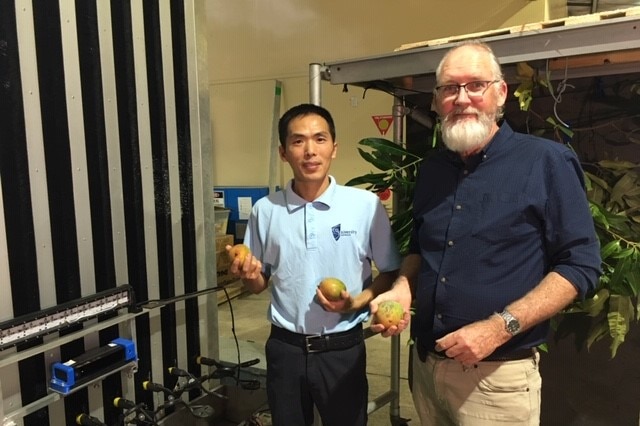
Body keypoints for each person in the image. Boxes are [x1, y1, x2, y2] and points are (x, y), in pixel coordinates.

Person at [380, 40, 602, 425]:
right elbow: (421, 245)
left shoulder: (545, 162)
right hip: (426, 371)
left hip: (496, 381)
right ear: (436, 101)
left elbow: (581, 264)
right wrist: (402, 288)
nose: (461, 98)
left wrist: (500, 328)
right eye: (450, 88)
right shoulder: (433, 170)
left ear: (501, 93)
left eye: (475, 85)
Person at [226, 103, 406, 426]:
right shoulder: (265, 210)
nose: (310, 151)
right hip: (285, 349)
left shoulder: (364, 206)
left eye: (319, 139)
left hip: (342, 349)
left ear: (334, 149)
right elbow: (258, 282)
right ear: (283, 152)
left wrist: (356, 302)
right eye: (298, 141)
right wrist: (248, 275)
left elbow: (391, 272)